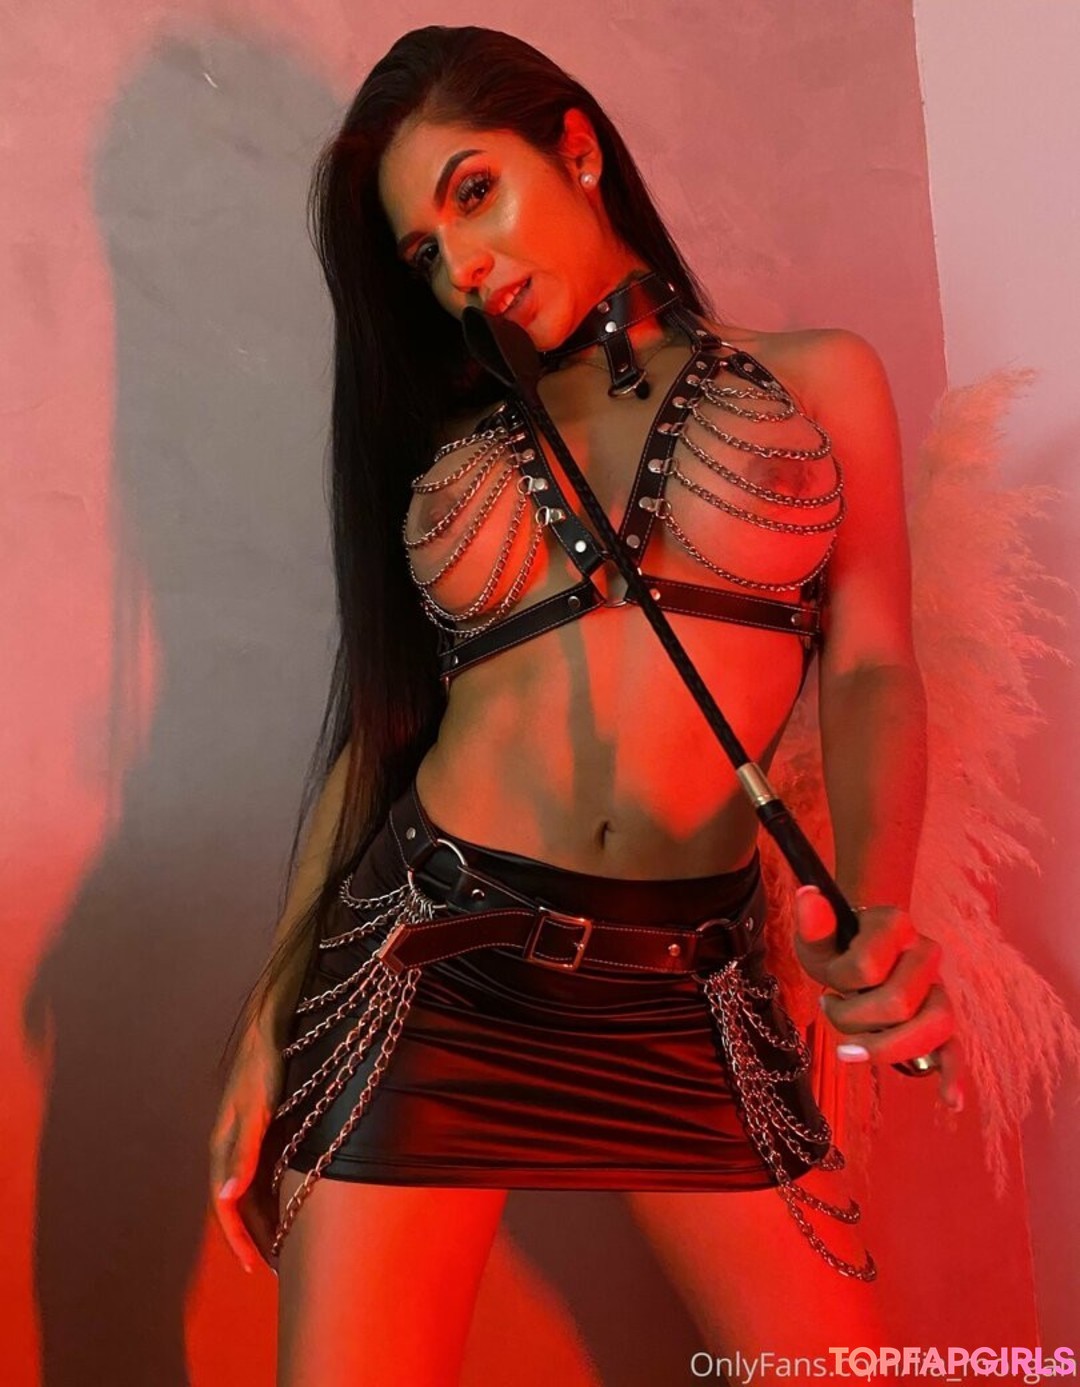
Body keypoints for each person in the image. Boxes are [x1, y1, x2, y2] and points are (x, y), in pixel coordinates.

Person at [208, 24, 962, 1386]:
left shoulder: (819, 377)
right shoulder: (455, 439)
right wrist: (268, 1013)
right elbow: (384, 730)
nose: (463, 265)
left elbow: (869, 668)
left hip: (697, 992)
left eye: (474, 192)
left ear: (575, 146)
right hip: (425, 963)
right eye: (424, 252)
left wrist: (875, 904)